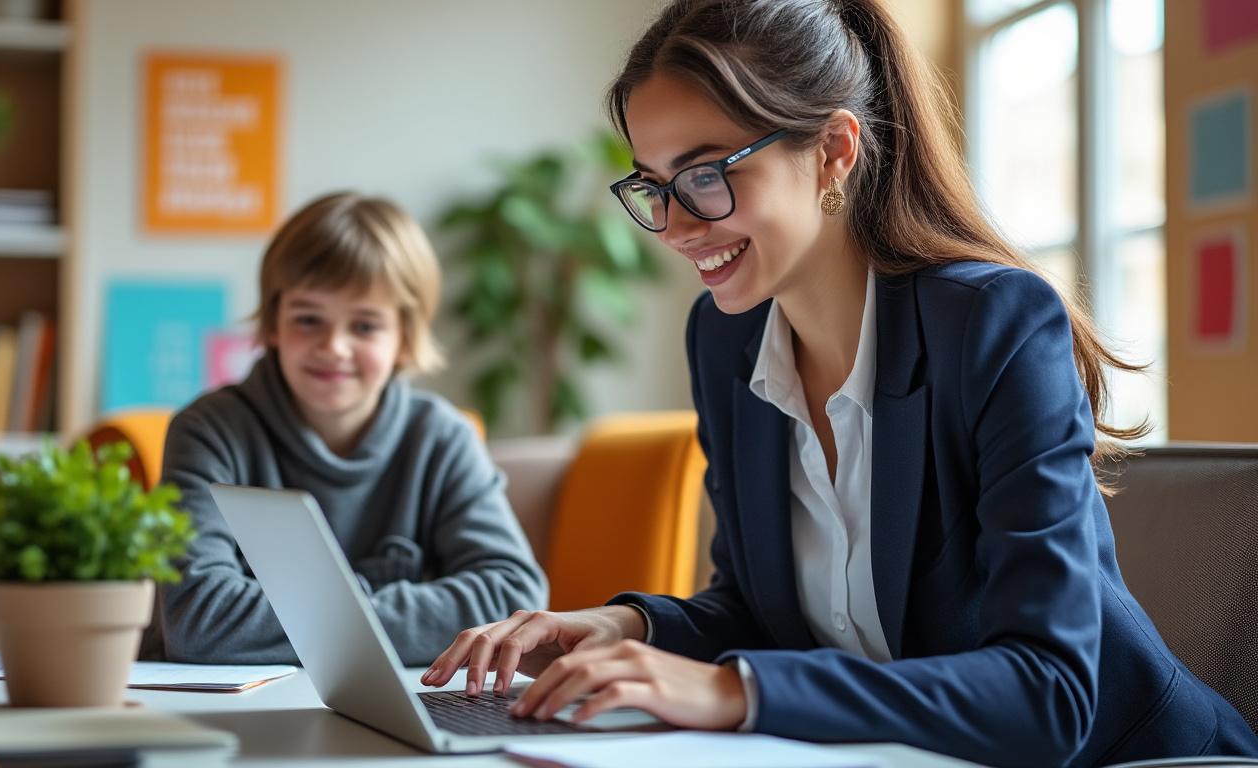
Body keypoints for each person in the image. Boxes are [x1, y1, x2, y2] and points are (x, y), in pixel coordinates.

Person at [421, 1, 1258, 765]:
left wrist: (733, 691)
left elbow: (1051, 691)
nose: (673, 226)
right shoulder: (725, 337)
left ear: (833, 152)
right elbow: (762, 609)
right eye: (654, 184)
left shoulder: (997, 326)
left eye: (707, 174)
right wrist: (622, 625)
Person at [145, 192, 548, 666]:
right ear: (273, 322)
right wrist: (397, 614)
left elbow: (514, 599)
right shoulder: (209, 431)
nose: (334, 346)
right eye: (309, 319)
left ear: (405, 336)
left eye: (364, 325)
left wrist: (313, 615)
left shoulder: (442, 437)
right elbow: (198, 621)